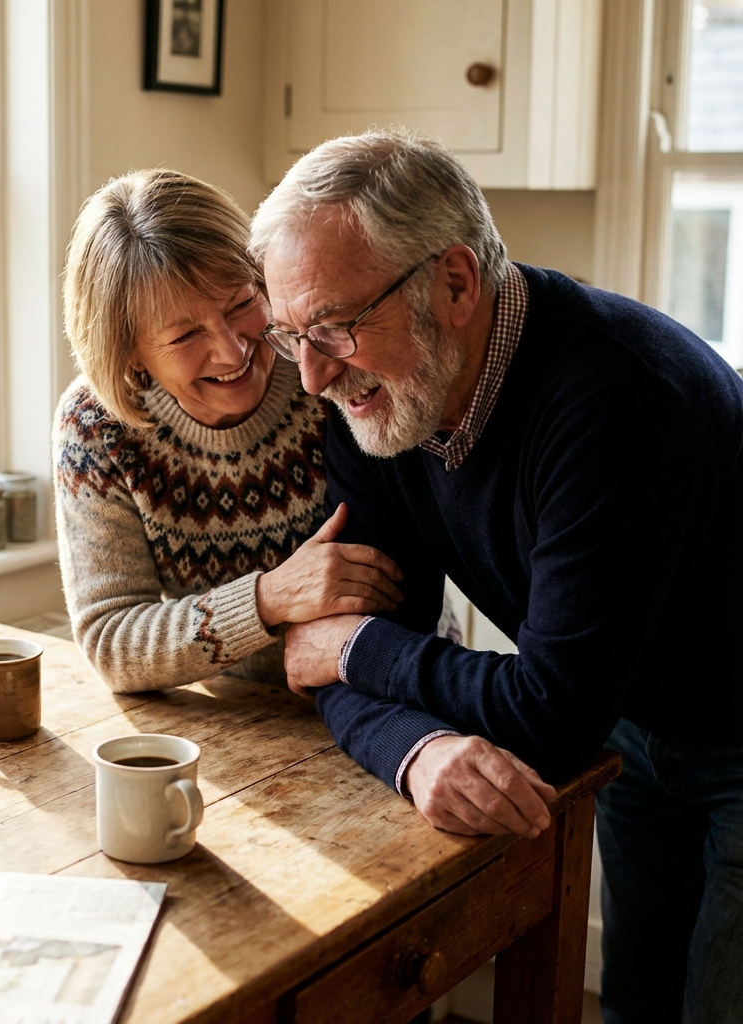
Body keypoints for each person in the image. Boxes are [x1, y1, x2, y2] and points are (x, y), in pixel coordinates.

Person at [249, 129, 742, 1023]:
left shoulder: (616, 399)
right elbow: (344, 656)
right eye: (292, 338)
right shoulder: (380, 399)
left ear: (457, 282)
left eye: (336, 327)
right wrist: (414, 747)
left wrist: (354, 646)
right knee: (636, 1002)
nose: (316, 376)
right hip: (631, 717)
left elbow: (544, 713)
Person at [54, 168, 459, 693]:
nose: (233, 350)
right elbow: (111, 642)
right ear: (129, 351)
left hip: (398, 685)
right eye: (184, 336)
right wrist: (270, 598)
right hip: (243, 713)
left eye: (243, 304)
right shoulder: (96, 427)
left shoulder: (330, 368)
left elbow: (400, 596)